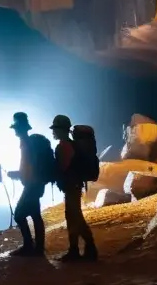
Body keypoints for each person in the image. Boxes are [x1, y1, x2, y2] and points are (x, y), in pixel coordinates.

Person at [50, 115, 98, 262]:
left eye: (55, 129)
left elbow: (63, 167)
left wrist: (53, 172)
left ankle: (79, 251)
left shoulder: (64, 146)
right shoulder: (71, 145)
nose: (53, 132)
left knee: (74, 217)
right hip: (75, 185)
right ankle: (84, 250)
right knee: (75, 217)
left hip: (72, 186)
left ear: (61, 129)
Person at [11, 112, 46, 257]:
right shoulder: (29, 142)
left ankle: (29, 246)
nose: (14, 130)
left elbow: (30, 166)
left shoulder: (27, 143)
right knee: (35, 214)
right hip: (36, 183)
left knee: (19, 214)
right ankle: (38, 248)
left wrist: (18, 174)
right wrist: (19, 173)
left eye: (16, 127)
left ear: (20, 128)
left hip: (32, 185)